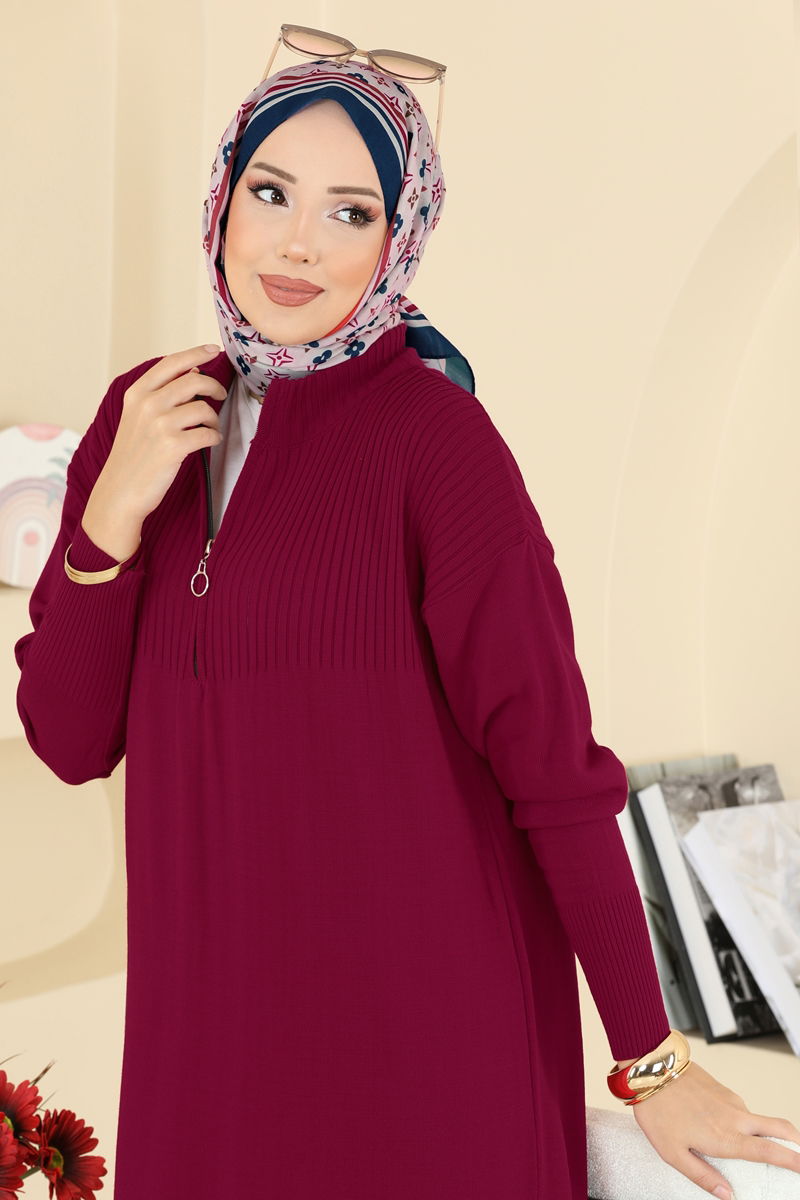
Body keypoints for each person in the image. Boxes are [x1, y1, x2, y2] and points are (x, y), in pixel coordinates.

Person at [13, 51, 800, 1200]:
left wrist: (652, 1058)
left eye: (350, 212)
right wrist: (109, 517)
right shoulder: (143, 417)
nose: (296, 245)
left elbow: (553, 772)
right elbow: (68, 738)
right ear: (221, 200)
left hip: (424, 1054)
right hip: (208, 1058)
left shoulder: (438, 445)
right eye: (270, 192)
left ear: (399, 237)